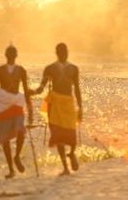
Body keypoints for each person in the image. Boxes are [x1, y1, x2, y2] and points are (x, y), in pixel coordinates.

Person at [33, 43, 82, 176]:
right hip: (55, 104)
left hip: (68, 103)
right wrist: (32, 92)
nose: (63, 53)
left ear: (68, 52)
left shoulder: (73, 69)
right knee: (58, 135)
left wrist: (80, 107)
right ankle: (65, 167)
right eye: (60, 51)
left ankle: (71, 153)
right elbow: (42, 87)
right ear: (57, 53)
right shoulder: (49, 69)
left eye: (65, 51)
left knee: (72, 132)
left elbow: (77, 89)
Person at [0, 44, 33, 179]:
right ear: (6, 55)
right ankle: (11, 169)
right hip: (2, 105)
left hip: (17, 104)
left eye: (13, 54)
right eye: (9, 54)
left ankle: (17, 156)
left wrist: (30, 109)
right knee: (5, 139)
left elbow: (26, 90)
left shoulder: (21, 70)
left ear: (16, 55)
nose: (11, 56)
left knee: (21, 132)